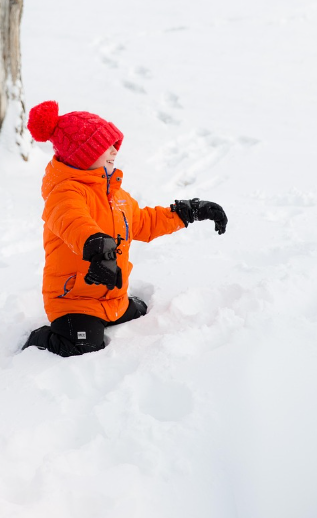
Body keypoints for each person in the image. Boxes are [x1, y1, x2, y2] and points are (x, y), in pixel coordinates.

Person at [21, 100, 227, 357]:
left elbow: (145, 222)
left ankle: (116, 308)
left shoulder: (115, 196)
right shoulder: (63, 194)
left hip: (113, 298)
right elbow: (74, 222)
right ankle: (41, 338)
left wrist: (188, 212)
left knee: (142, 313)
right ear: (82, 155)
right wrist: (97, 246)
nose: (114, 151)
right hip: (74, 301)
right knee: (85, 346)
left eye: (114, 144)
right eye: (104, 146)